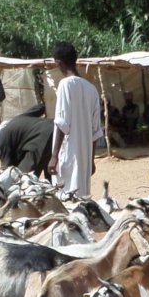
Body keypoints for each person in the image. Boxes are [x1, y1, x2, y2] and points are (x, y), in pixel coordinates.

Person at [47, 41, 103, 198]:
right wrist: (91, 161)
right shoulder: (92, 89)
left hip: (68, 155)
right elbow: (95, 131)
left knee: (65, 199)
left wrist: (54, 156)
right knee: (82, 201)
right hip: (84, 158)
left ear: (58, 63)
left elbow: (61, 123)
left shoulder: (65, 85)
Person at [0, 103, 54, 177]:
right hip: (57, 130)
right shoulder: (15, 121)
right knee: (52, 175)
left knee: (21, 178)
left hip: (41, 140)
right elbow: (39, 108)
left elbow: (8, 169)